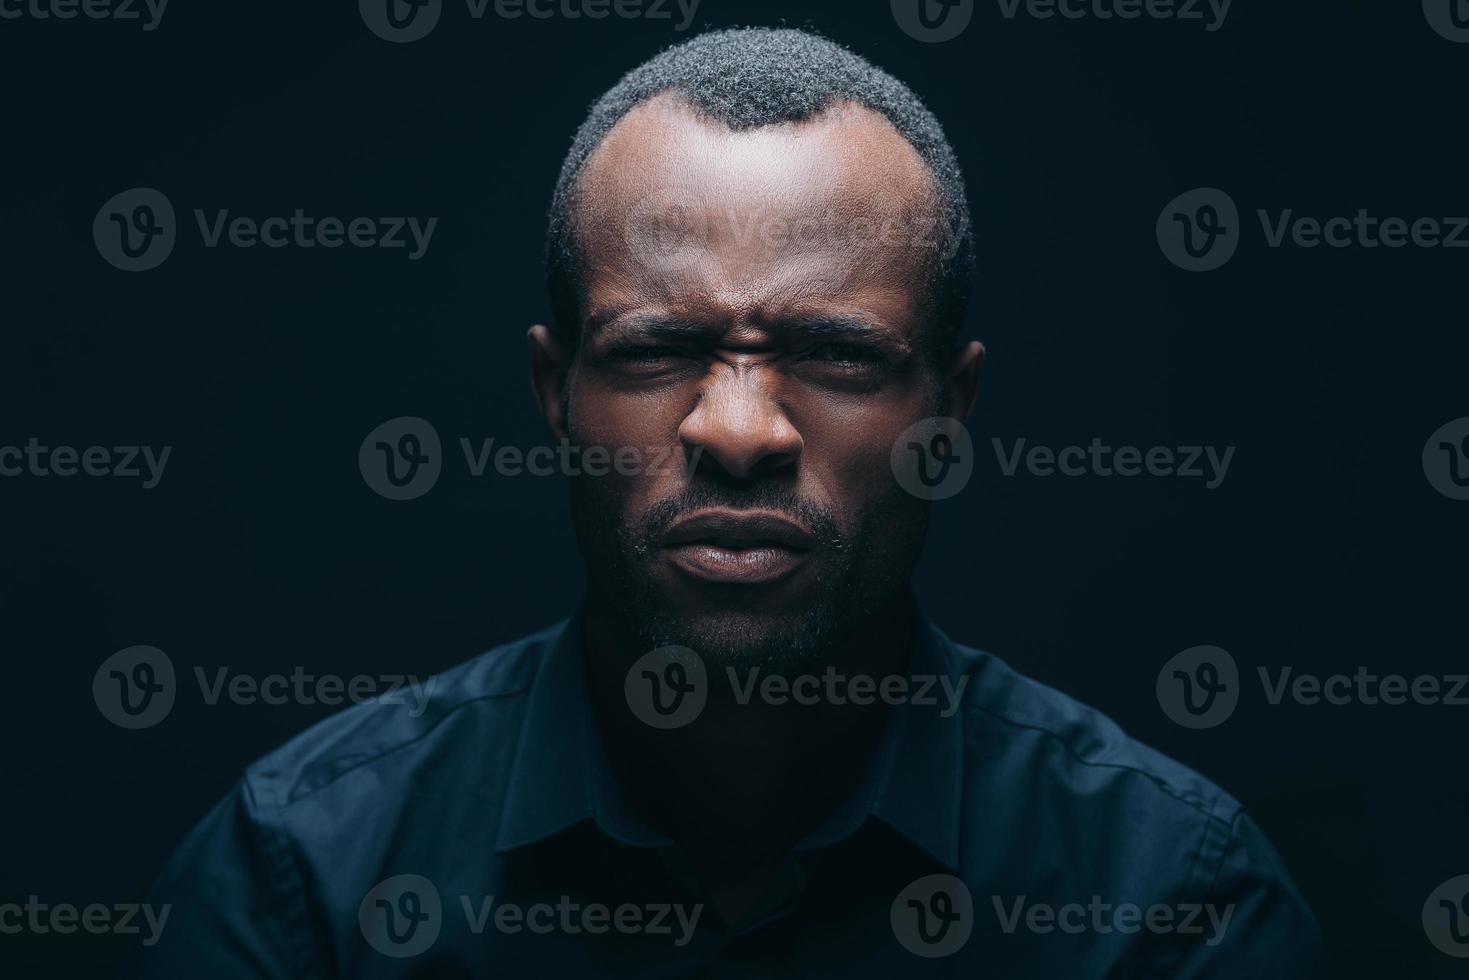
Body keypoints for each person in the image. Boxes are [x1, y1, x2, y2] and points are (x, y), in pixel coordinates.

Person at [130, 27, 1326, 978]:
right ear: (556, 393)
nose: (737, 430)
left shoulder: (1171, 907)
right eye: (656, 349)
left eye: (836, 354)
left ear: (947, 410)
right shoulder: (302, 884)